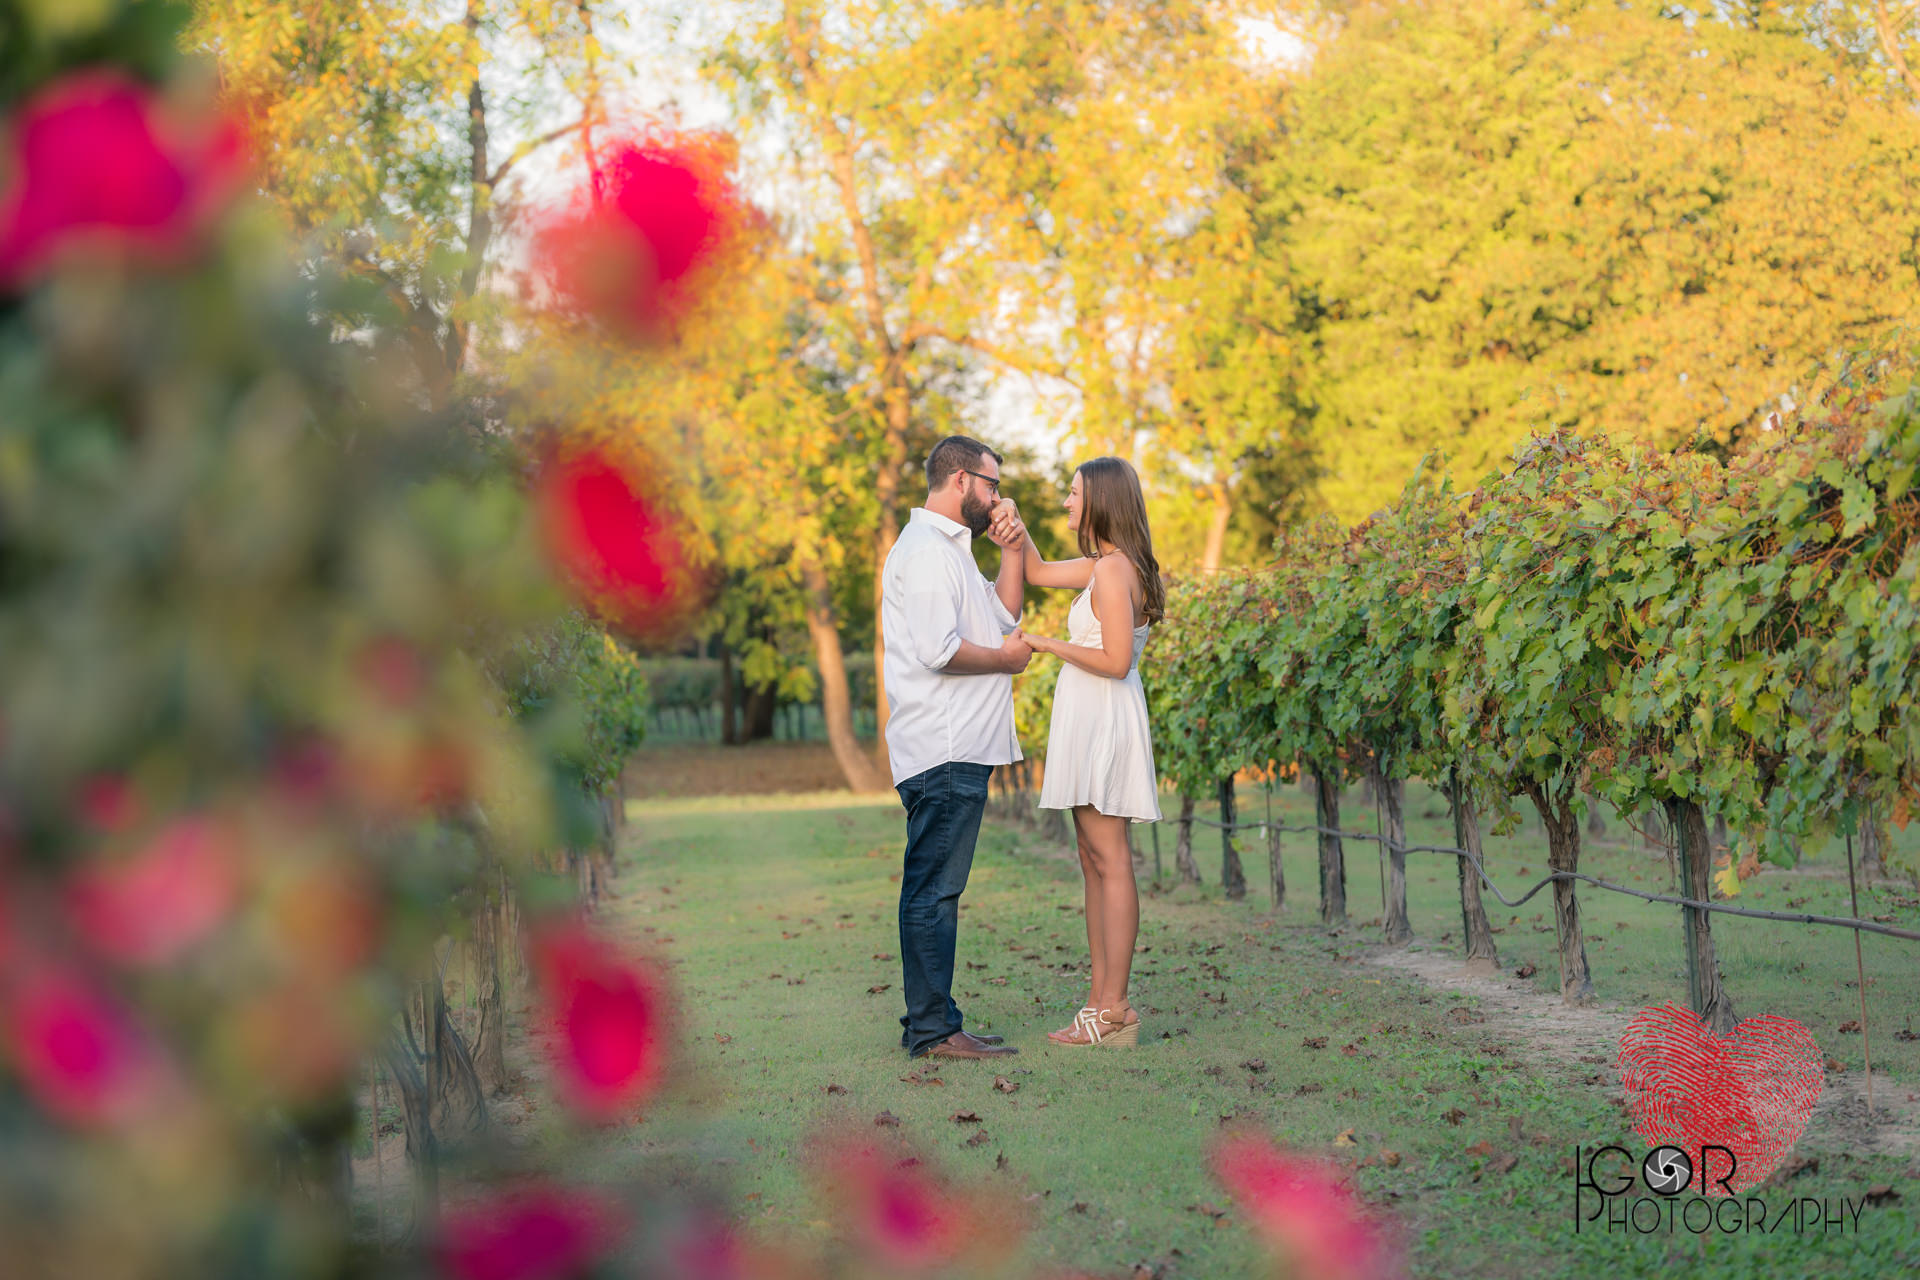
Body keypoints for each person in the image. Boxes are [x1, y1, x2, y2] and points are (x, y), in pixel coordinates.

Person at [998, 457, 1163, 1048]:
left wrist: (1045, 642)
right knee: (1092, 857)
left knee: (1110, 856)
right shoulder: (1102, 567)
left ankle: (1115, 1009)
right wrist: (1013, 525)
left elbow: (1117, 662)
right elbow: (1037, 572)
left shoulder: (1115, 571)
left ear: (1101, 500)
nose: (1067, 504)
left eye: (1073, 495)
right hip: (1088, 717)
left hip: (1105, 718)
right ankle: (1098, 1002)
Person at [880, 435, 1032, 1060]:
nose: (999, 496)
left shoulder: (954, 552)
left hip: (962, 748)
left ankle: (938, 1020)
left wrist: (1015, 549)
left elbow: (1003, 613)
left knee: (940, 890)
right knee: (933, 891)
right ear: (961, 480)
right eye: (992, 484)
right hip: (941, 749)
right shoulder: (924, 552)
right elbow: (940, 650)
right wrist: (1004, 661)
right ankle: (933, 1032)